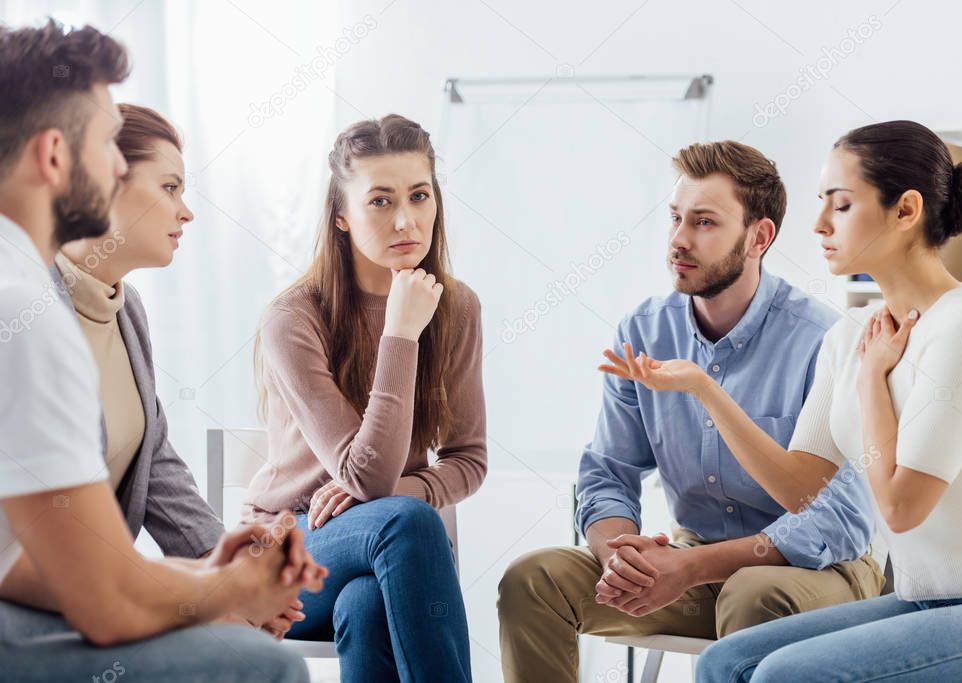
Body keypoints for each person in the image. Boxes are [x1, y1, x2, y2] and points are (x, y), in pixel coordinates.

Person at [612, 121, 962, 681]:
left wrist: (872, 387)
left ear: (906, 210)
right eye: (822, 202)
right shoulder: (853, 334)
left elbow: (902, 510)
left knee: (786, 675)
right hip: (922, 598)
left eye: (842, 204)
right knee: (725, 662)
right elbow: (800, 488)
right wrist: (705, 389)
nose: (818, 224)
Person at [0, 19, 323, 682]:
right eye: (105, 142)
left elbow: (150, 472)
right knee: (264, 667)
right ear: (54, 155)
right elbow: (102, 598)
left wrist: (212, 569)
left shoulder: (51, 296)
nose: (117, 164)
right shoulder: (25, 310)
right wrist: (227, 590)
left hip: (43, 587)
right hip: (32, 605)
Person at [498, 140, 882, 683]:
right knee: (532, 579)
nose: (679, 239)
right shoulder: (645, 331)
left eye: (703, 222)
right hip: (692, 568)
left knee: (754, 592)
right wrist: (618, 553)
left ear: (759, 237)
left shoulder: (821, 341)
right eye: (676, 218)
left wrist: (691, 566)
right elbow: (609, 469)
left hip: (816, 574)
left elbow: (840, 521)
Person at [244, 114, 486, 682]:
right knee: (406, 521)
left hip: (386, 555)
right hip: (292, 553)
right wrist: (400, 334)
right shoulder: (293, 318)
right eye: (380, 201)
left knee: (368, 604)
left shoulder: (457, 307)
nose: (406, 220)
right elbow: (369, 478)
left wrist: (388, 494)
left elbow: (468, 460)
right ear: (341, 216)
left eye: (419, 196)